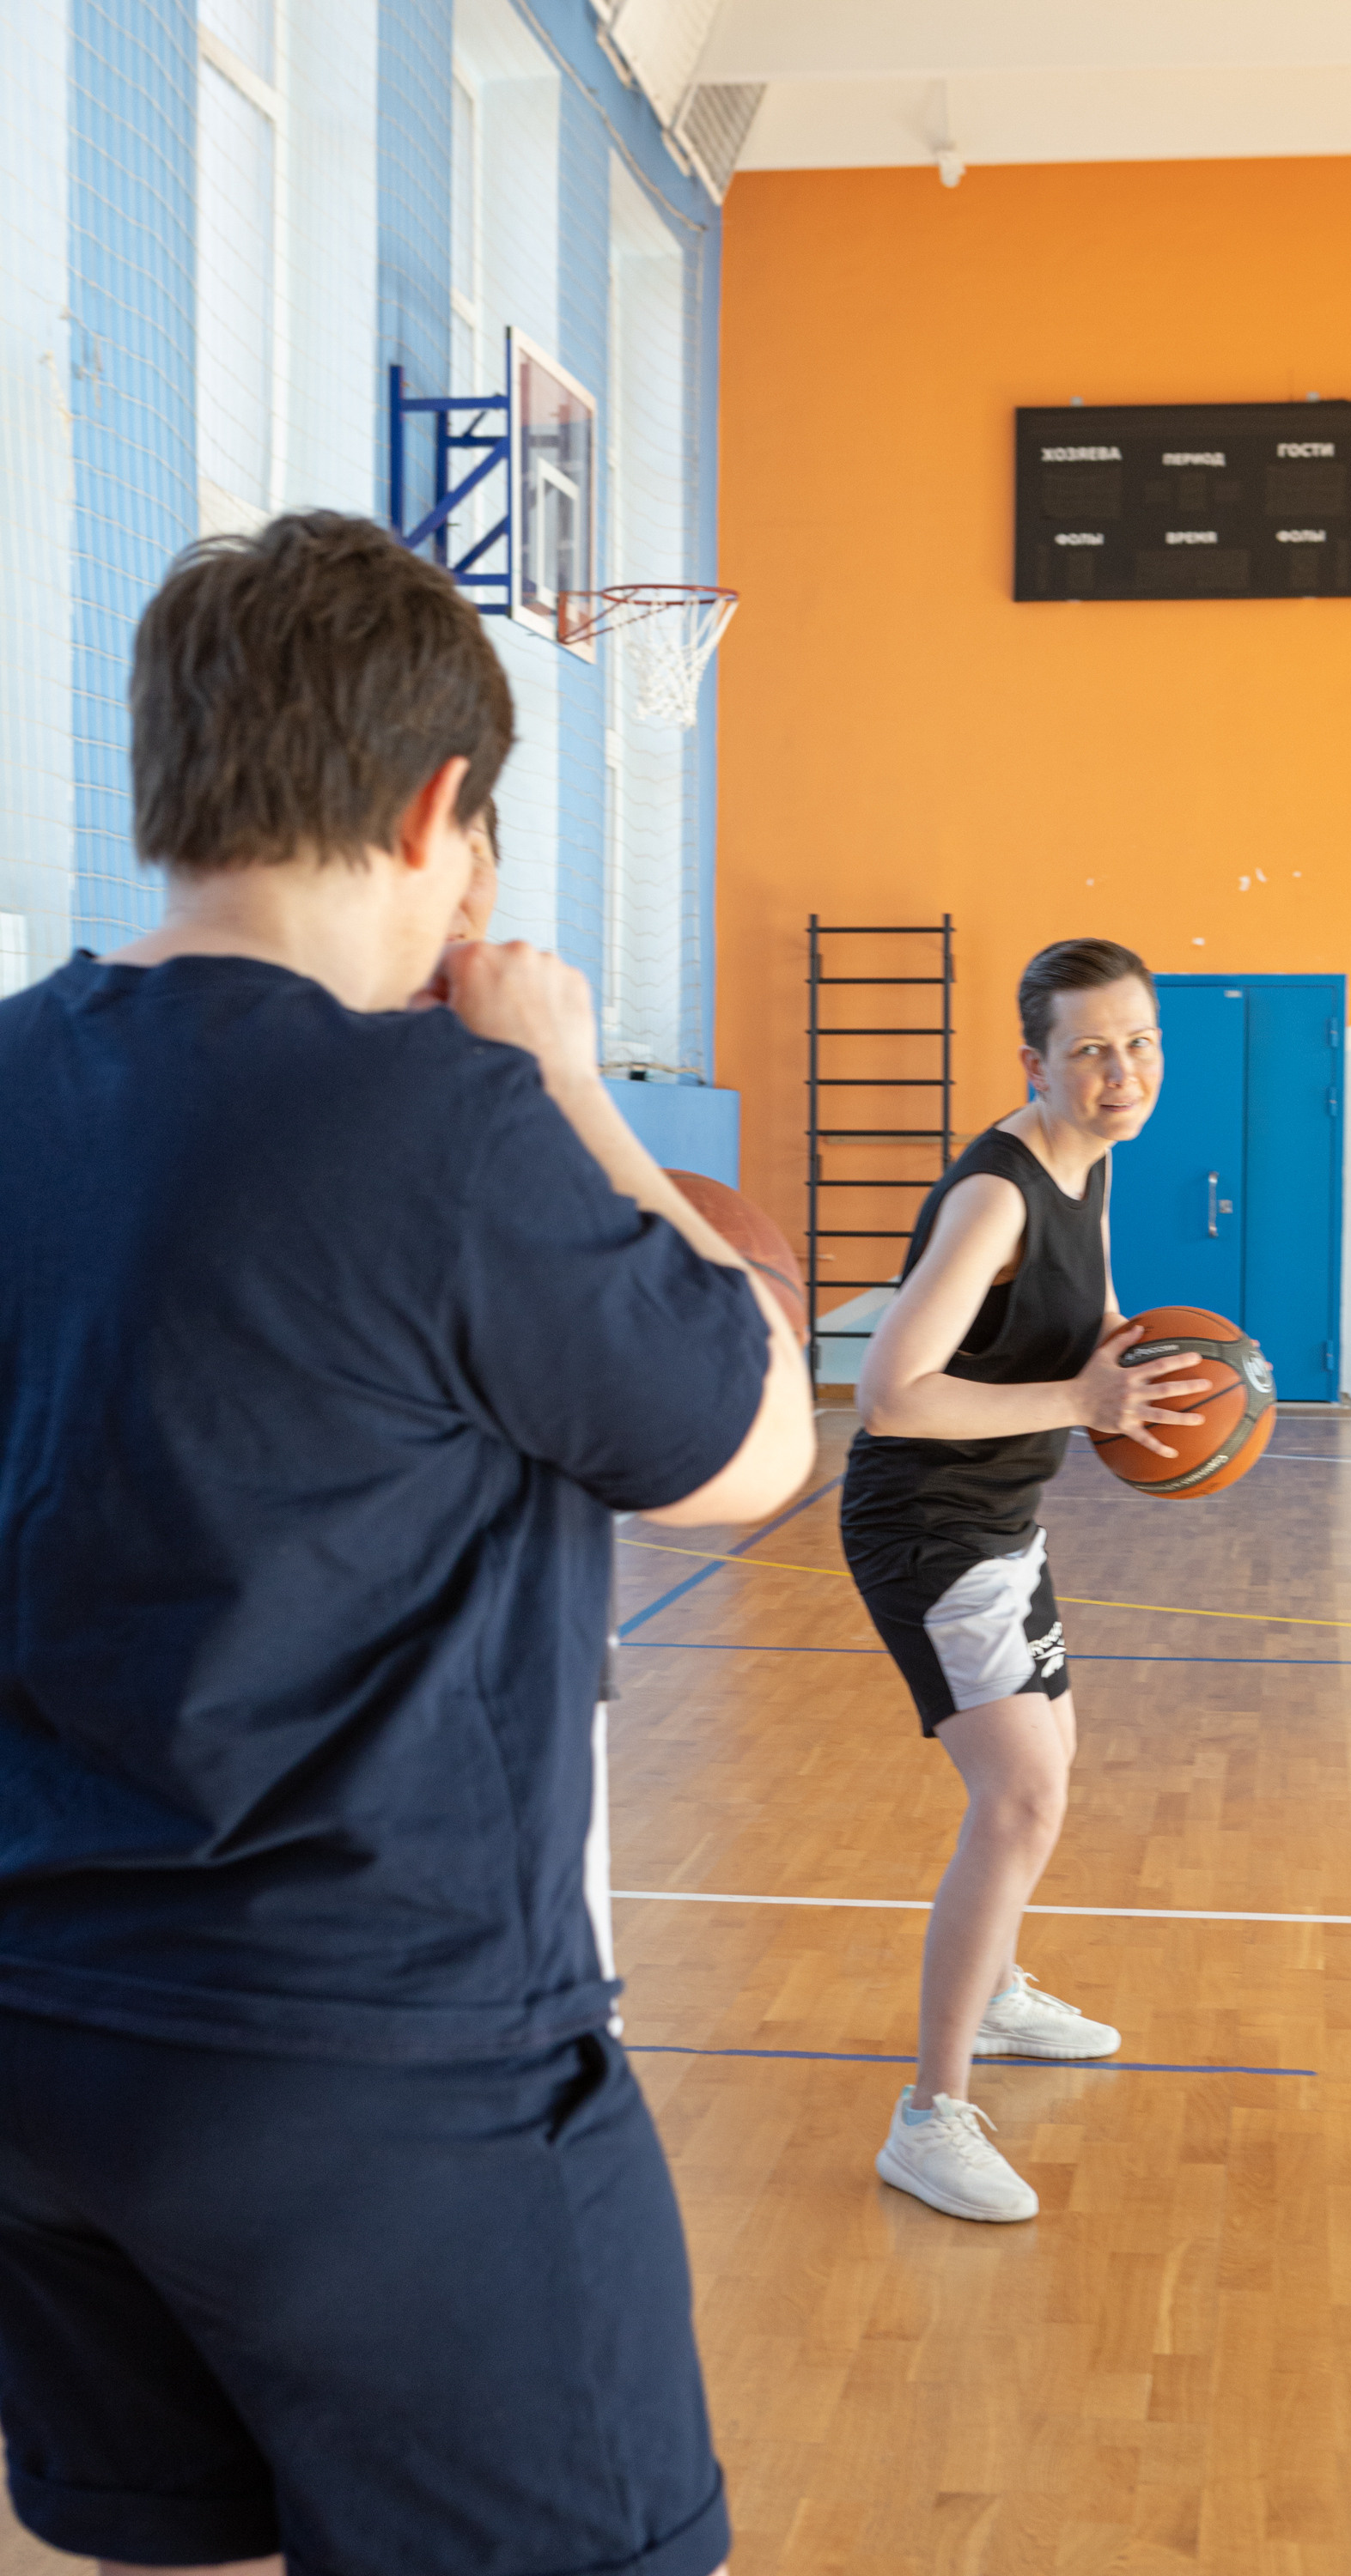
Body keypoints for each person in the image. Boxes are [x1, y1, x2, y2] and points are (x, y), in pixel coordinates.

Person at [0, 511, 813, 2576]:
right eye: (486, 842)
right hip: (377, 2074)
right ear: (437, 806)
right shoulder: (445, 1128)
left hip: (43, 2052)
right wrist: (567, 1086)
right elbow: (750, 1450)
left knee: (161, 2549)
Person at [840, 940, 1209, 2223]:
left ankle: (993, 1993)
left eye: (1142, 1043)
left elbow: (1093, 1310)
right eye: (1093, 1051)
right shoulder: (993, 1198)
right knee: (1020, 1797)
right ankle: (927, 2116)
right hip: (928, 1525)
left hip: (1001, 1512)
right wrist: (1078, 1395)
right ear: (1036, 1064)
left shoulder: (1093, 1157)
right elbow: (885, 1394)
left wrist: (1153, 1366)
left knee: (1053, 1758)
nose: (1123, 1074)